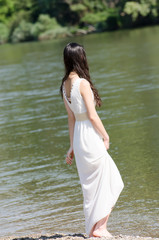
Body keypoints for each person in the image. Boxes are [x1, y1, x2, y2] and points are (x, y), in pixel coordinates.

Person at [60, 42, 124, 238]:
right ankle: (100, 228)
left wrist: (71, 146)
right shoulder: (83, 83)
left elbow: (71, 118)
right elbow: (92, 115)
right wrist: (106, 136)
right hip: (89, 135)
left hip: (79, 138)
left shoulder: (64, 84)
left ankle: (95, 227)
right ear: (81, 58)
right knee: (113, 179)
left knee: (91, 184)